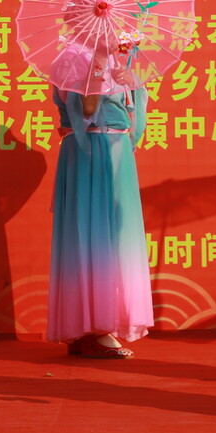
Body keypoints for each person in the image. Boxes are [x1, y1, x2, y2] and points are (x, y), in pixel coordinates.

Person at [48, 47, 152, 358]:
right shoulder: (73, 57)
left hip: (114, 148)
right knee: (95, 237)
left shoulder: (122, 57)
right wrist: (98, 66)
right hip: (93, 148)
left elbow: (135, 112)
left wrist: (131, 80)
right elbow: (88, 108)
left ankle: (87, 326)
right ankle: (95, 328)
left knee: (112, 237)